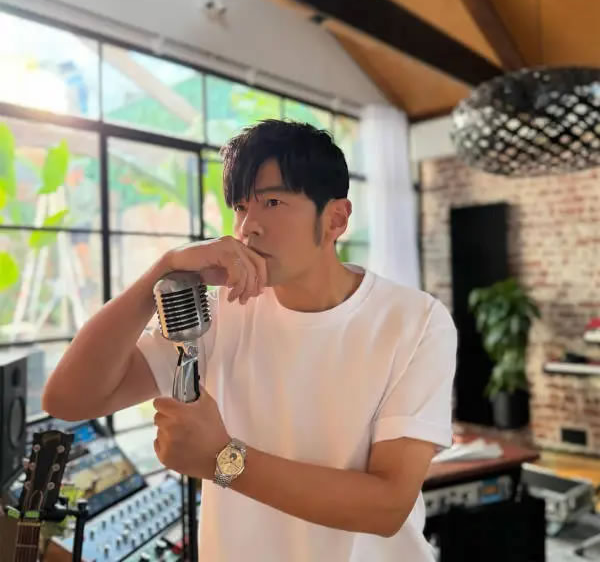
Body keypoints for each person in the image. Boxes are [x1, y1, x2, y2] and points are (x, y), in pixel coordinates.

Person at [43, 120, 457, 561]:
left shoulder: (414, 321)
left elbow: (387, 506)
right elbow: (69, 399)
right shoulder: (220, 312)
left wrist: (223, 459)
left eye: (273, 202)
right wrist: (162, 271)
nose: (248, 227)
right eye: (240, 207)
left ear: (335, 219)